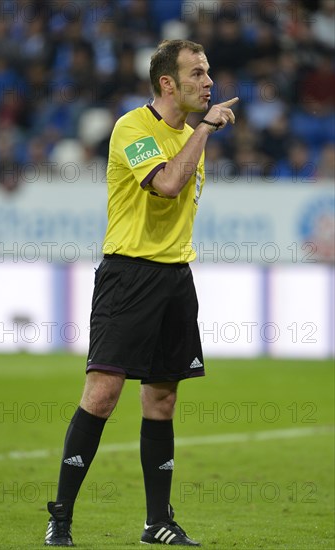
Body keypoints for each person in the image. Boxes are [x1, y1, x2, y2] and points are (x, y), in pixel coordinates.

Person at [44, 39, 238, 547]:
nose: (208, 81)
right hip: (129, 276)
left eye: (209, 71)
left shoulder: (191, 135)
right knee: (103, 395)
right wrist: (206, 128)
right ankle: (60, 518)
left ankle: (157, 522)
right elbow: (168, 185)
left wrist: (199, 132)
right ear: (167, 83)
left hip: (176, 277)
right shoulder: (134, 128)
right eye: (197, 72)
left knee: (162, 399)